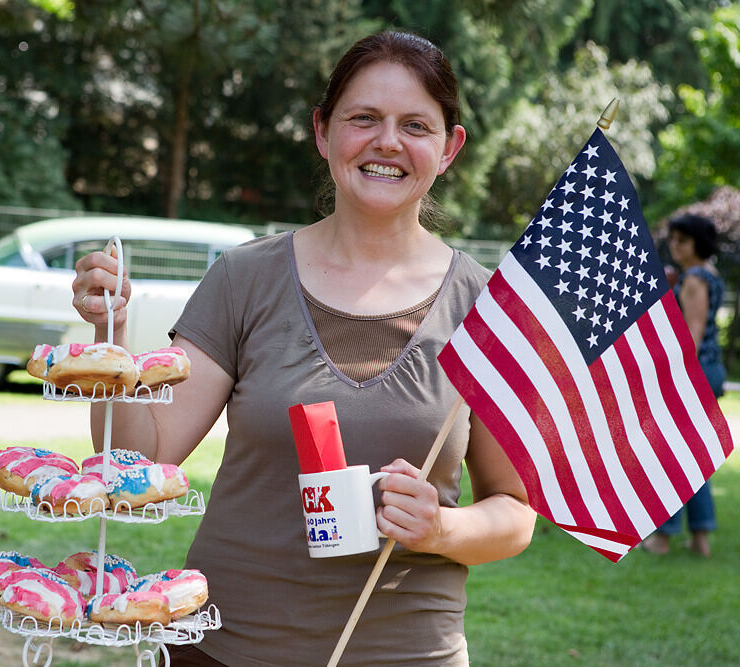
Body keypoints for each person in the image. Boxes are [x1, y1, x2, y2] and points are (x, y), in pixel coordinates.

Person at [72, 30, 536, 666]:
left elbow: (513, 514)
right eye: (363, 118)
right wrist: (112, 339)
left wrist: (440, 527)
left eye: (415, 125)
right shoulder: (244, 279)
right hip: (225, 648)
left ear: (449, 147)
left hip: (406, 653)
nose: (388, 143)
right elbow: (136, 457)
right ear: (323, 132)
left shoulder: (488, 310)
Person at [643, 214, 726, 557]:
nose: (675, 246)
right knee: (693, 455)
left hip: (695, 370)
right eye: (673, 239)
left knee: (672, 454)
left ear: (698, 244)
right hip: (711, 368)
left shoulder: (694, 278)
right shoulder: (711, 274)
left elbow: (690, 334)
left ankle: (664, 537)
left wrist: (673, 375)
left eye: (682, 240)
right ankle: (700, 539)